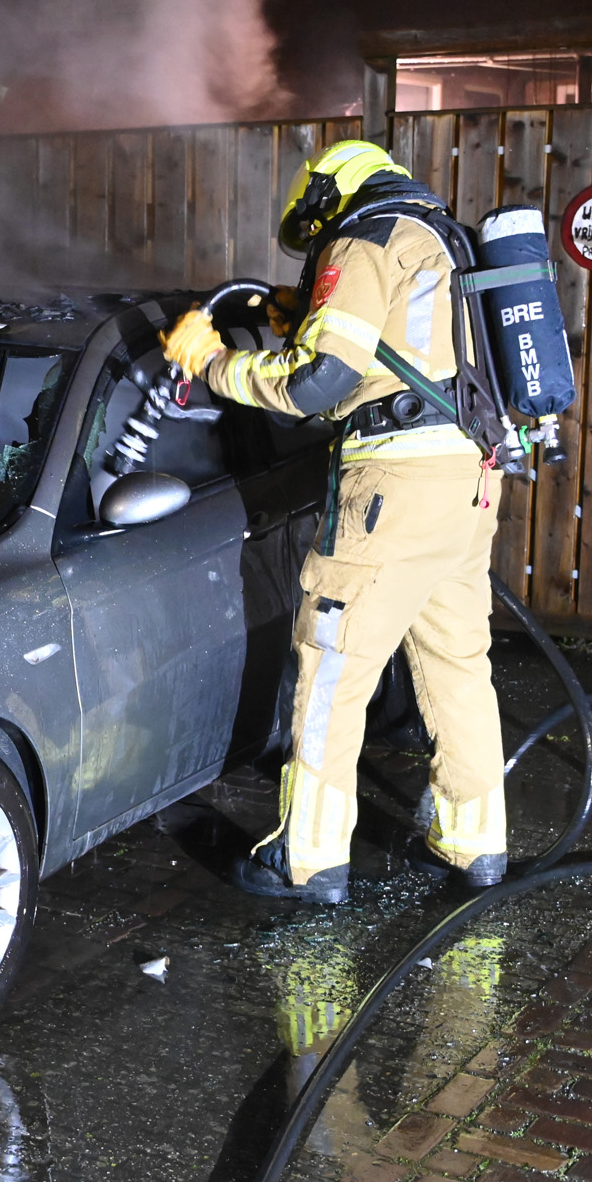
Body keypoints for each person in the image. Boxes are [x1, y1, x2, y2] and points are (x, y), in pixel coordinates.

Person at [161, 140, 506, 904]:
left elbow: (320, 382)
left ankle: (308, 858)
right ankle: (475, 845)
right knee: (458, 666)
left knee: (332, 667)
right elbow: (391, 342)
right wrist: (304, 311)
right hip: (469, 480)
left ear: (327, 195)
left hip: (396, 489)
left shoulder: (364, 237)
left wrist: (214, 363)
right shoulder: (437, 236)